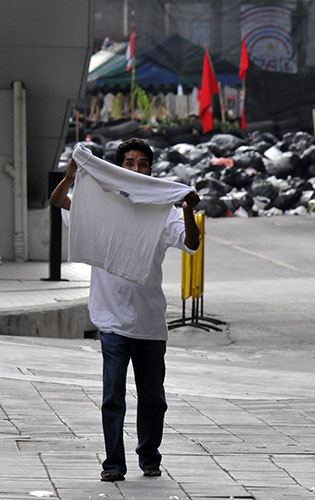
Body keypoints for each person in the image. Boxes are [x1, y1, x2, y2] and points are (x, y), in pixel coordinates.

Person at [50, 138, 200, 482]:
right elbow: (59, 201)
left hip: (149, 323)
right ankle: (113, 464)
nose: (135, 169)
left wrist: (187, 208)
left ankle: (149, 456)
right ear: (119, 168)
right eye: (129, 163)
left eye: (142, 163)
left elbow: (191, 243)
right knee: (112, 399)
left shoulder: (161, 211)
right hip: (111, 320)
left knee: (153, 400)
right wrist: (72, 175)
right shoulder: (99, 205)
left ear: (151, 169)